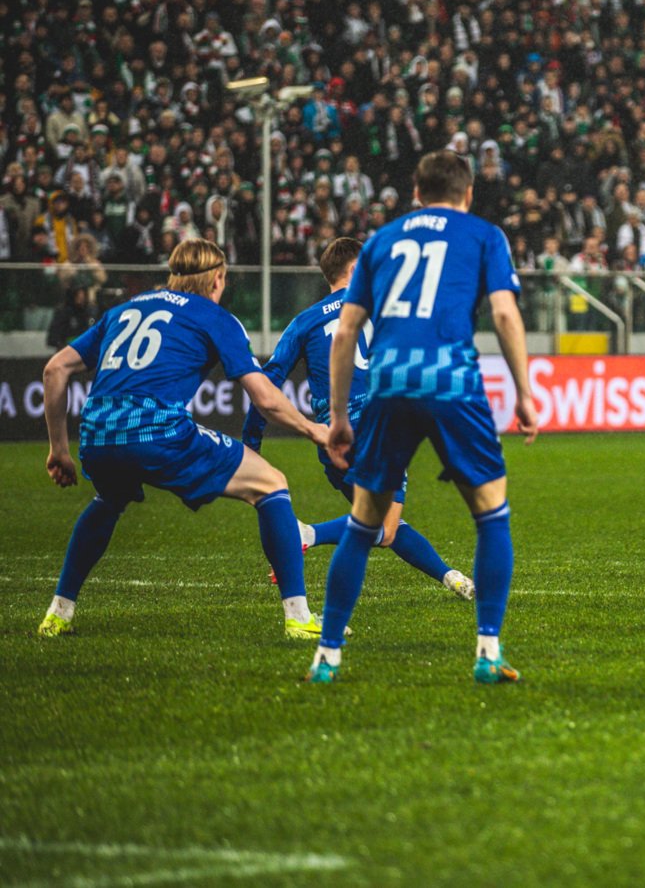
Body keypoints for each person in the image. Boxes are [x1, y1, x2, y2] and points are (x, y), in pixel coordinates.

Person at [306, 151, 539, 684]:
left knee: (365, 522)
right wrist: (524, 393)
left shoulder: (382, 241)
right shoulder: (484, 236)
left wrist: (339, 416)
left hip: (388, 383)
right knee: (491, 514)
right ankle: (487, 652)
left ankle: (328, 656)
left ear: (416, 192)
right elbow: (504, 312)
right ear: (468, 193)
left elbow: (345, 332)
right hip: (453, 380)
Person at [37, 239, 331, 640]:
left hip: (97, 433)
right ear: (218, 278)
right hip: (157, 430)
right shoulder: (215, 316)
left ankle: (58, 612)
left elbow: (55, 370)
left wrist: (59, 450)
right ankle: (299, 617)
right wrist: (315, 430)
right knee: (272, 485)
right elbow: (265, 398)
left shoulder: (123, 310)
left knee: (108, 500)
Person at [241, 237, 474, 600]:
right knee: (386, 527)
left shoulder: (304, 322)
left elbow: (265, 385)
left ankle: (449, 576)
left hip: (334, 439)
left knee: (379, 524)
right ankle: (307, 534)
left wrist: (251, 442)